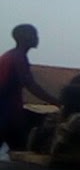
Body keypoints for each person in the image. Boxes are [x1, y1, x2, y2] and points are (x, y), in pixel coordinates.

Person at [0, 24, 59, 154]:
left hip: (9, 111)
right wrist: (56, 102)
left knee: (19, 147)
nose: (37, 38)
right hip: (7, 112)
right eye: (34, 35)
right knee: (21, 149)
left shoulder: (11, 55)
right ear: (23, 37)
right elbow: (30, 85)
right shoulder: (18, 57)